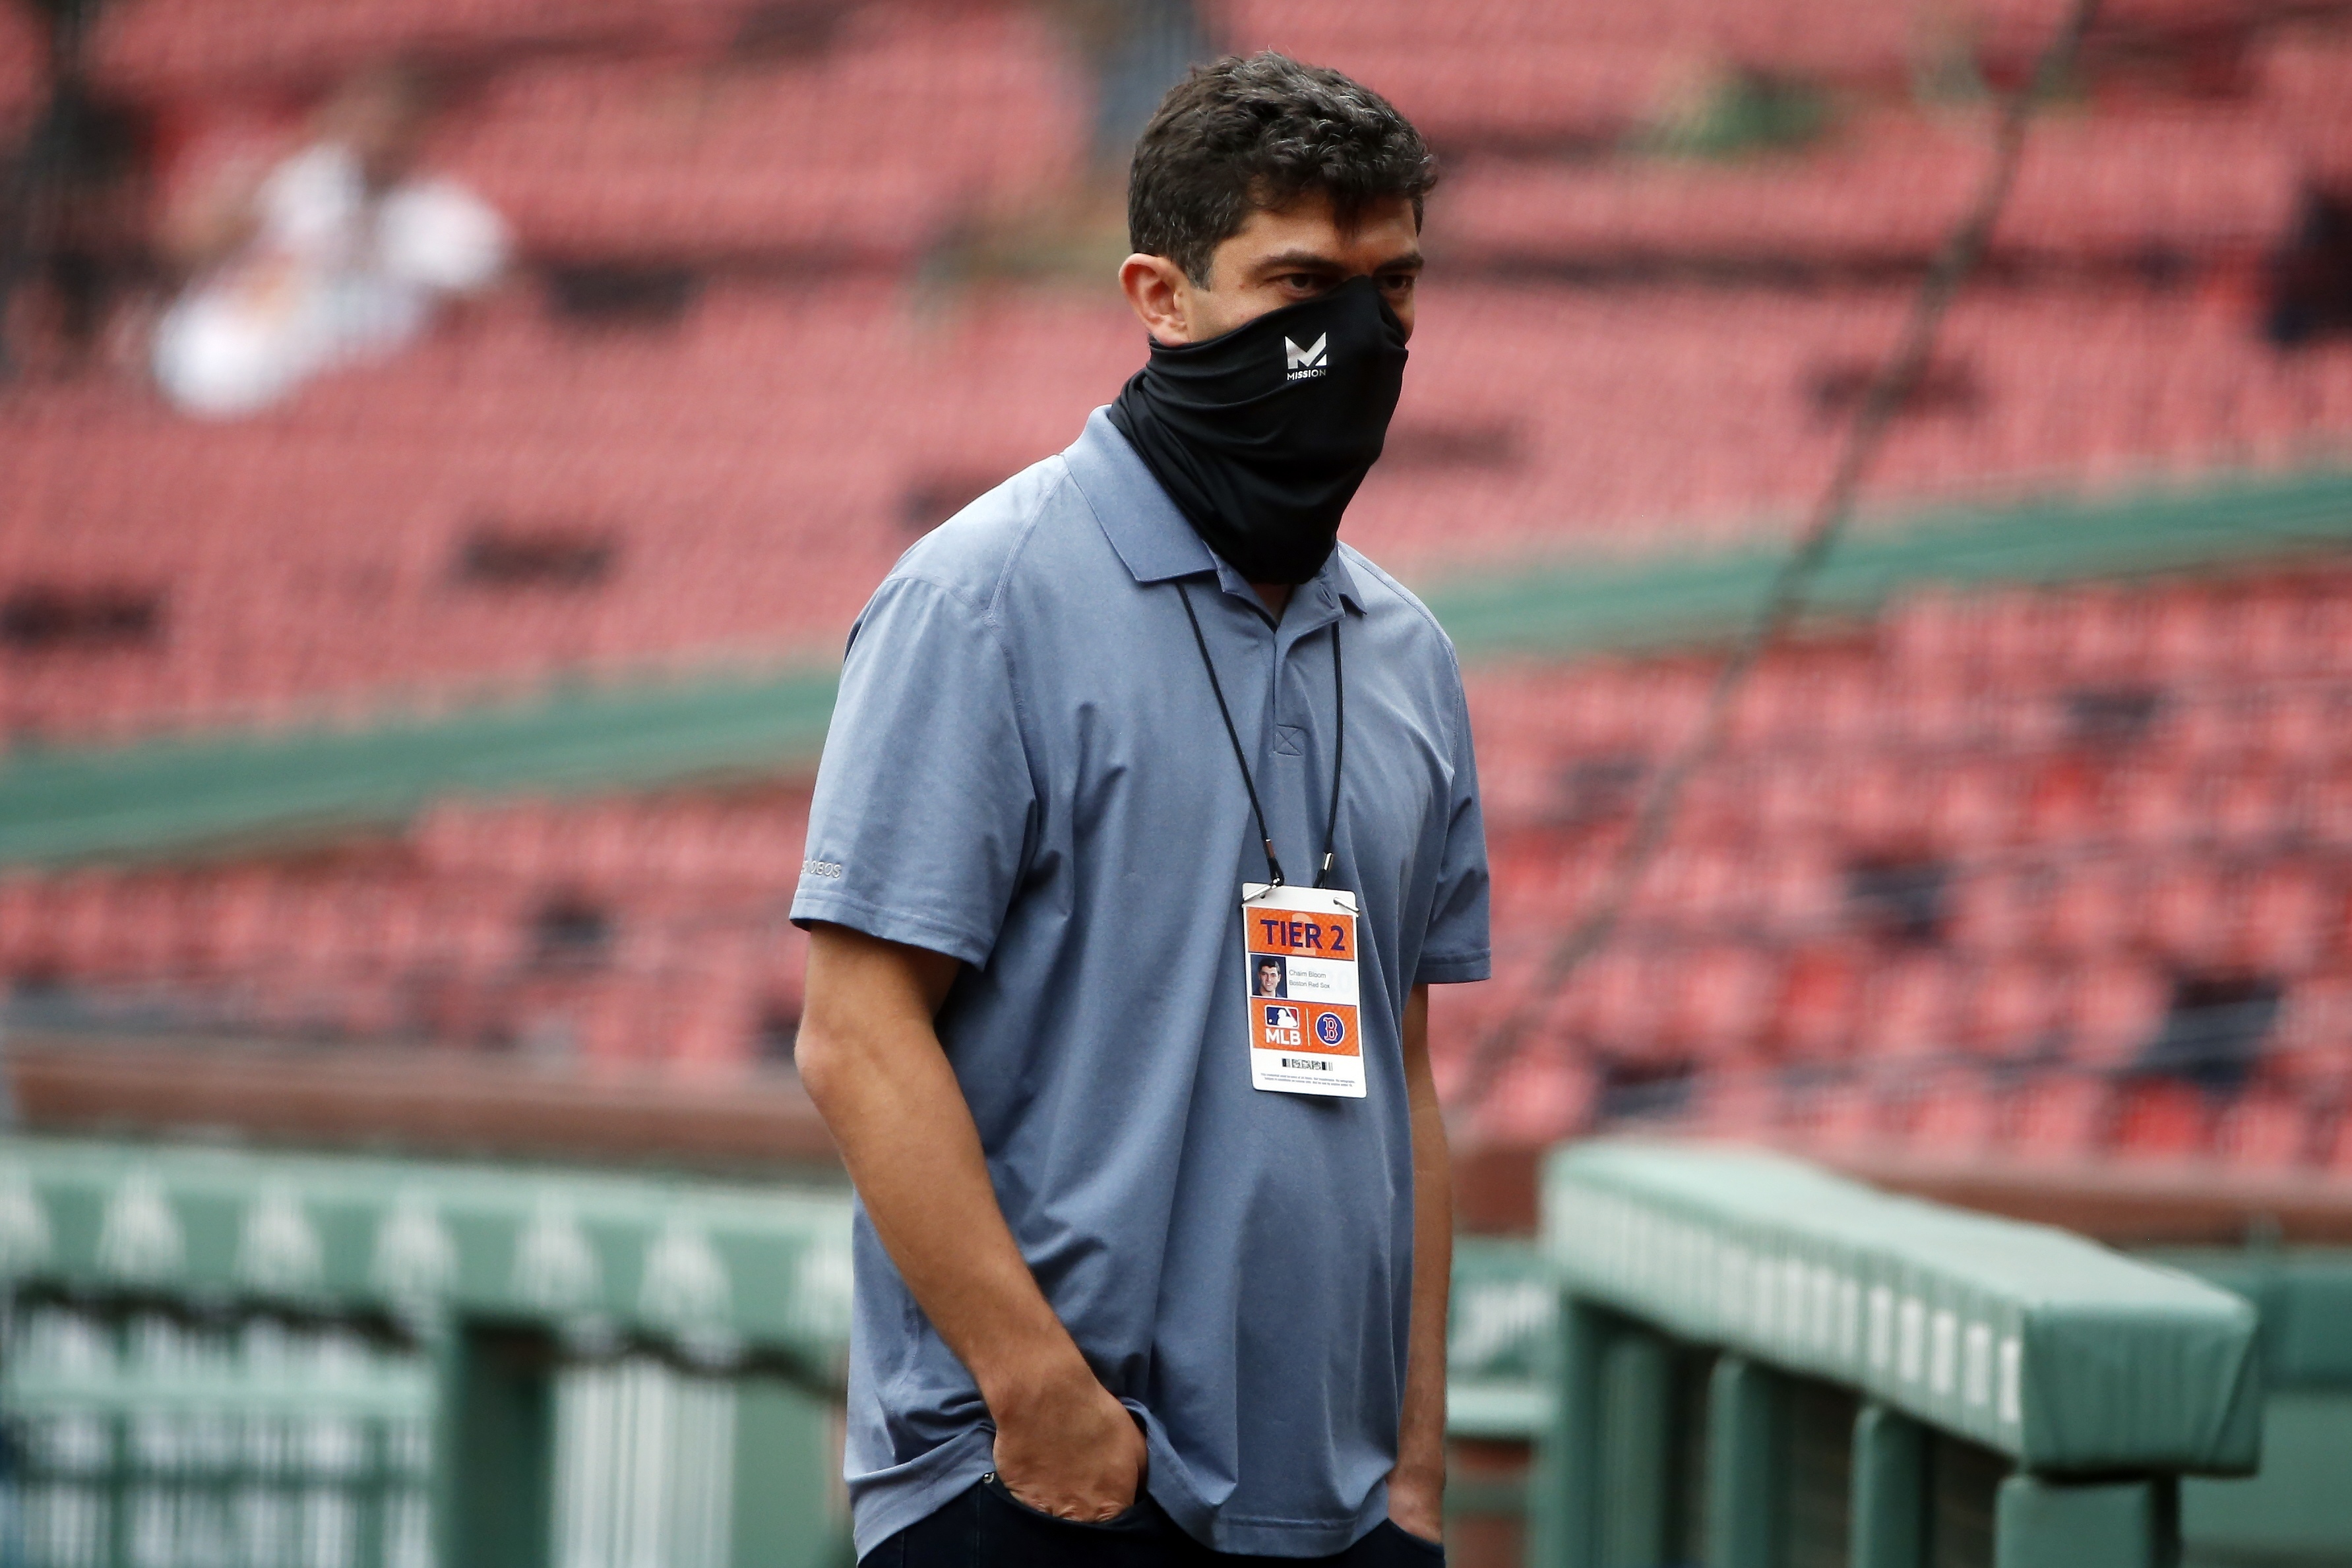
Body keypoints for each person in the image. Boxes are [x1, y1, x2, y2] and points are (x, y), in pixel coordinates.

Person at [793, 51, 1489, 1567]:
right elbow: (853, 1030)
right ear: (1160, 296)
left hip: (1339, 1509)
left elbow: (1402, 1072)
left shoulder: (1409, 658)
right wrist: (1038, 1399)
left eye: (1393, 289)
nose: (1352, 337)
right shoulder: (976, 599)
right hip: (1043, 1487)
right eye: (1299, 282)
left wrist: (1416, 1464)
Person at [150, 66, 506, 417]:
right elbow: (186, 240)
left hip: (319, 393)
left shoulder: (443, 216)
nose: (372, 131)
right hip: (195, 367)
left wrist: (377, 252)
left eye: (390, 121)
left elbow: (484, 299)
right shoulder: (304, 178)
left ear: (420, 129)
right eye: (361, 112)